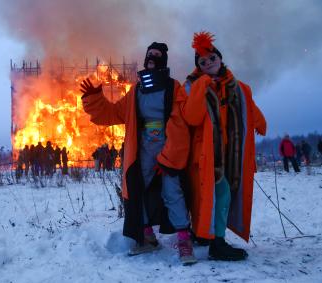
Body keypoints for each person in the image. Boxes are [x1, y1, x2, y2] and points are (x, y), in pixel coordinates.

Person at [80, 42, 195, 265]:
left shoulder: (174, 87)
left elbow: (180, 124)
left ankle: (184, 239)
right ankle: (147, 237)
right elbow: (112, 113)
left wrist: (170, 156)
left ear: (163, 60)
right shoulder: (136, 90)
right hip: (142, 147)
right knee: (136, 189)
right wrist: (94, 98)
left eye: (157, 54)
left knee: (172, 191)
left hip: (168, 145)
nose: (152, 56)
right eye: (149, 53)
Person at [180, 32, 267, 261]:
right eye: (202, 62)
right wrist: (201, 87)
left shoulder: (237, 87)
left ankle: (204, 235)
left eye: (211, 59)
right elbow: (192, 117)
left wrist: (259, 122)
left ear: (220, 59)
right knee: (221, 194)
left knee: (215, 196)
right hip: (206, 153)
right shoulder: (191, 87)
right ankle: (217, 243)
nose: (208, 64)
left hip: (231, 154)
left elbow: (248, 107)